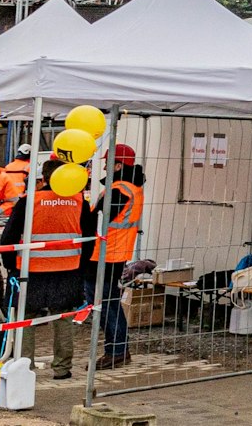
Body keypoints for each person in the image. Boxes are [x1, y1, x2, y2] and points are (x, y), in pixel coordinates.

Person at [0, 158, 96, 380]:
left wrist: (11, 266)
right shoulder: (79, 202)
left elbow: (8, 238)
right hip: (68, 270)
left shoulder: (28, 201)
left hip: (30, 271)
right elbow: (90, 239)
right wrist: (82, 265)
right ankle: (62, 368)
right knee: (63, 318)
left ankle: (24, 368)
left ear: (43, 178)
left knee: (25, 318)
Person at [89, 145, 144, 368]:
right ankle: (119, 349)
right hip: (114, 252)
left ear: (118, 165)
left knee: (106, 304)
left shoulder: (120, 190)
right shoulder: (129, 188)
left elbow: (98, 217)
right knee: (108, 302)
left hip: (106, 253)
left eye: (108, 163)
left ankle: (116, 351)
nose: (104, 167)